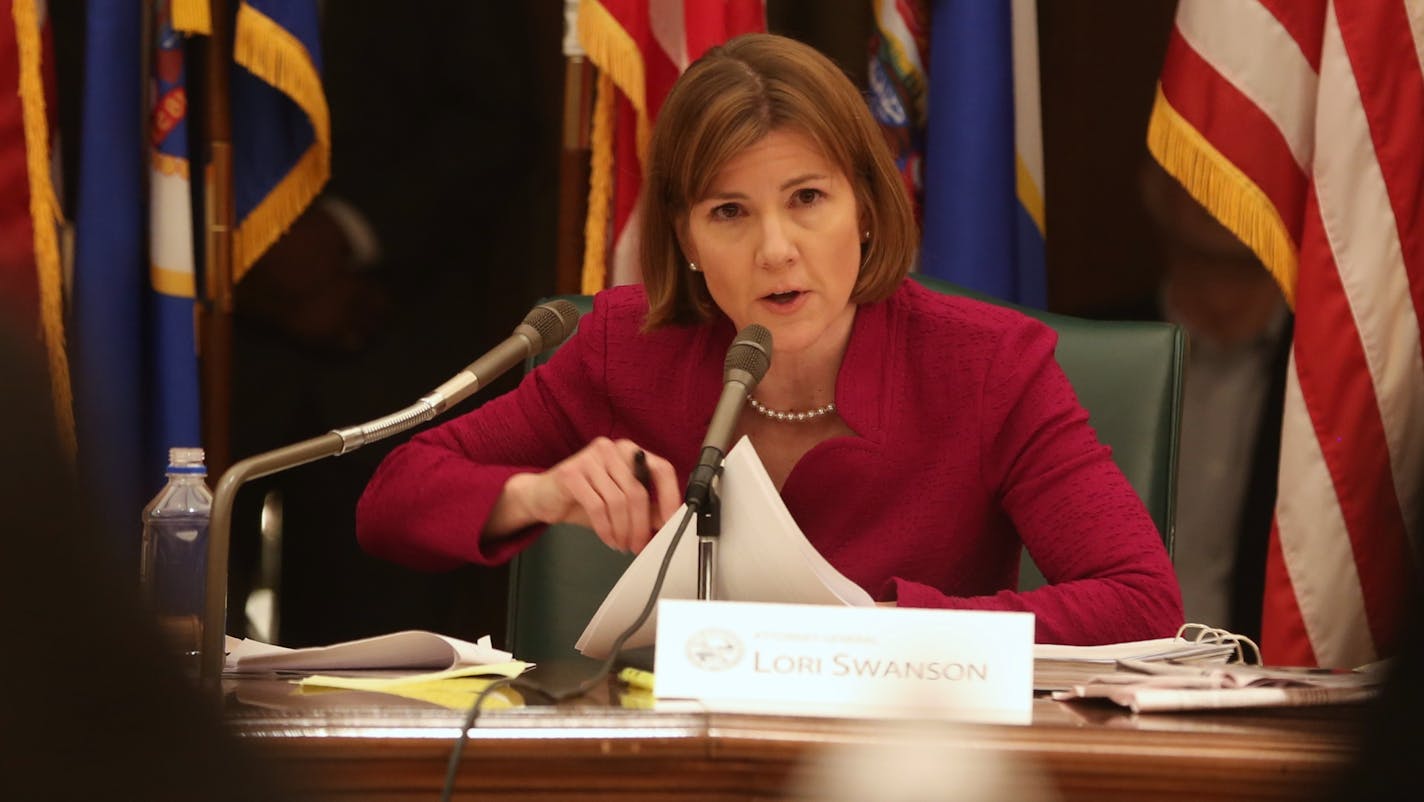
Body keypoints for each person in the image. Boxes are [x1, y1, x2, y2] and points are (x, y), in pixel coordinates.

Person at [356, 33, 1183, 645]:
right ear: (682, 236)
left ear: (864, 204)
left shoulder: (987, 364)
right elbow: (391, 500)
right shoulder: (627, 347)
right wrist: (538, 493)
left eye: (808, 199)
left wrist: (884, 632)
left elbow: (1140, 598)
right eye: (729, 213)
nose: (776, 248)